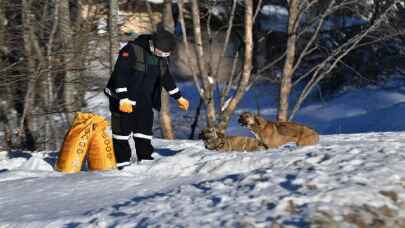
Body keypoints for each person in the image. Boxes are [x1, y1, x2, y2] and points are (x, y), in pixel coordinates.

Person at [104, 29, 189, 169]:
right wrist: (123, 99)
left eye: (166, 54)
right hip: (123, 100)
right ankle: (123, 166)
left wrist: (178, 97)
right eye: (161, 53)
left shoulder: (160, 58)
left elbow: (166, 77)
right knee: (122, 134)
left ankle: (145, 165)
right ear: (152, 44)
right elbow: (120, 74)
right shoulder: (131, 50)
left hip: (144, 100)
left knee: (144, 133)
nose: (163, 56)